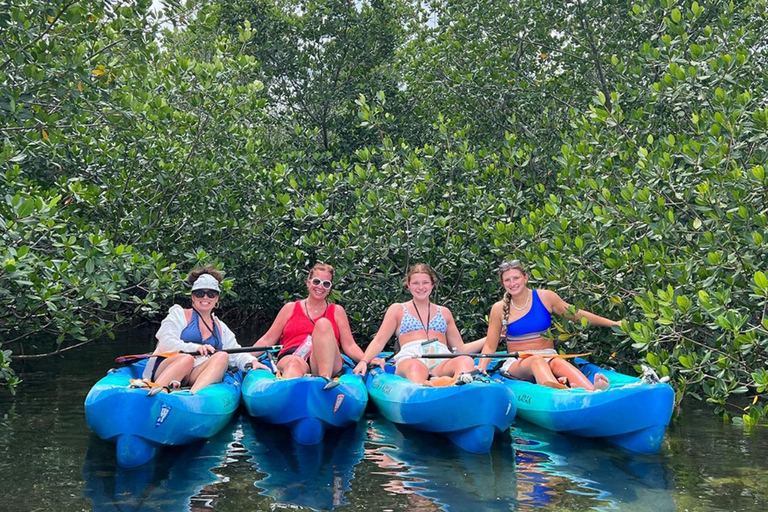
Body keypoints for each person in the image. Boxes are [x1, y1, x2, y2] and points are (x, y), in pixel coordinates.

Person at [477, 259, 620, 390]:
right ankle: (561, 392)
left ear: (525, 278)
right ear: (503, 284)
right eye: (507, 280)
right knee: (537, 361)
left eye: (516, 278)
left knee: (559, 363)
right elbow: (490, 344)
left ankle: (592, 391)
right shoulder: (498, 308)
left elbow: (577, 315)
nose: (512, 283)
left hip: (549, 355)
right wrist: (481, 368)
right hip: (518, 362)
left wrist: (612, 323)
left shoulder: (546, 297)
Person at [139, 265, 270, 395]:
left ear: (217, 299)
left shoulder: (220, 327)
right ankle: (155, 392)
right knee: (187, 359)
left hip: (196, 373)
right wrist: (194, 348)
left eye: (211, 294)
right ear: (193, 297)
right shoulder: (178, 314)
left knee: (222, 355)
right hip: (170, 367)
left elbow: (235, 353)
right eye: (200, 293)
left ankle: (193, 396)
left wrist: (251, 361)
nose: (205, 297)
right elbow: (166, 342)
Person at [353, 263, 486, 384]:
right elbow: (379, 341)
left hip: (441, 361)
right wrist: (364, 361)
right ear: (409, 285)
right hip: (411, 360)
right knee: (415, 366)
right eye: (416, 283)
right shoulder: (398, 309)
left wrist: (491, 337)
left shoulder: (444, 312)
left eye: (425, 283)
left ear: (432, 285)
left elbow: (460, 349)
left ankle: (459, 386)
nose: (421, 287)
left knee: (466, 360)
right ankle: (424, 389)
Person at [252, 263, 379, 384]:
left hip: (325, 360)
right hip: (294, 355)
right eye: (316, 281)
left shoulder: (337, 311)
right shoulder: (290, 308)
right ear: (308, 282)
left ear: (330, 288)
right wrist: (243, 357)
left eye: (326, 284)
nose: (320, 287)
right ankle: (289, 392)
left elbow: (349, 345)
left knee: (323, 324)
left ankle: (324, 380)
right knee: (293, 363)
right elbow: (267, 339)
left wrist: (366, 359)